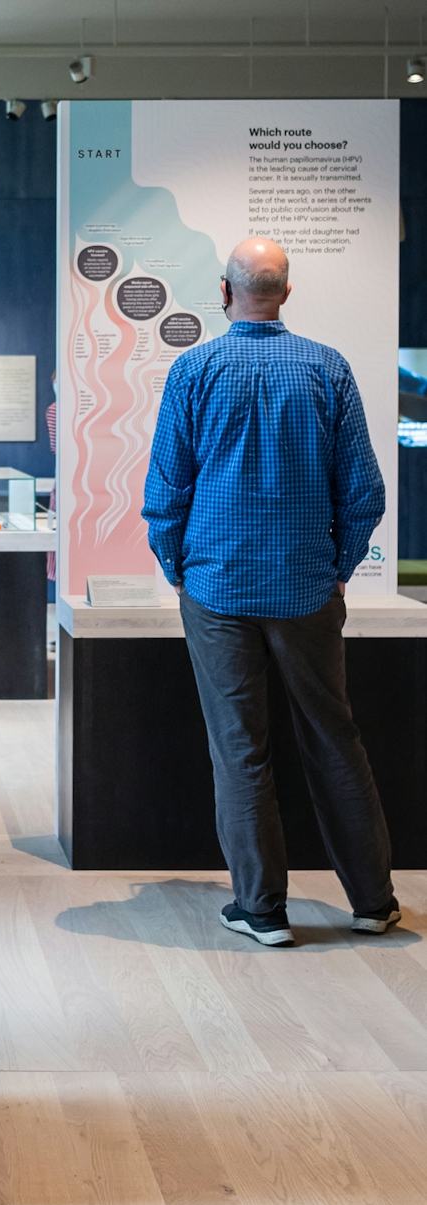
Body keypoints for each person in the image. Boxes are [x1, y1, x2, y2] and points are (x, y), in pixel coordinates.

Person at [142, 236, 398, 947]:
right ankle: (373, 902)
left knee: (240, 749)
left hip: (217, 587)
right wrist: (337, 563)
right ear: (286, 293)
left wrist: (180, 567)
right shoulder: (327, 368)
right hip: (307, 588)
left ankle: (262, 910)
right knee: (335, 738)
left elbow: (166, 491)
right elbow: (365, 493)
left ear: (225, 293)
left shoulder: (194, 369)